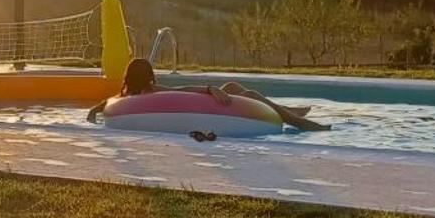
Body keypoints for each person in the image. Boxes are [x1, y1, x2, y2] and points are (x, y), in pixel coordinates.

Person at [86, 57, 329, 131]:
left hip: (203, 104)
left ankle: (289, 113)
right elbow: (180, 90)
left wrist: (93, 112)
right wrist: (209, 89)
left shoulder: (126, 96)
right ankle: (299, 121)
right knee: (249, 92)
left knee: (234, 87)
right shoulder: (151, 92)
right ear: (149, 77)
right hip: (203, 104)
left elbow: (106, 103)